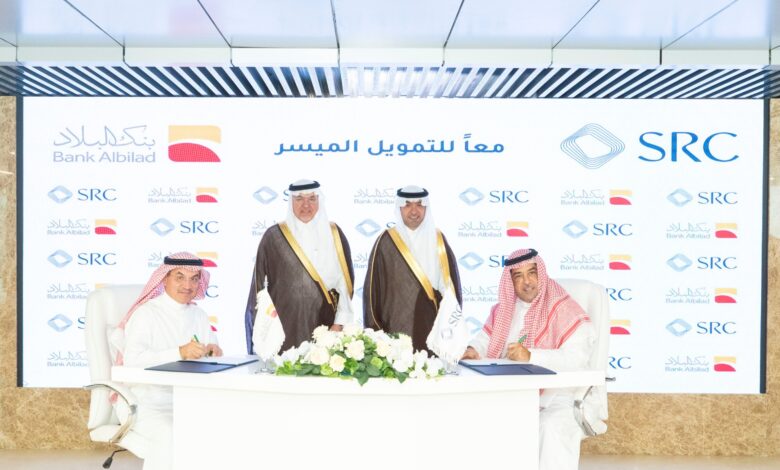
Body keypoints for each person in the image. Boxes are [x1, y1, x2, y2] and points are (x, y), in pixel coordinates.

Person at [462, 248, 595, 470]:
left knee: (549, 427)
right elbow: (485, 339)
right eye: (519, 276)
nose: (527, 282)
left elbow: (576, 359)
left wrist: (532, 356)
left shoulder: (564, 308)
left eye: (532, 273)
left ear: (540, 274)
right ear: (510, 282)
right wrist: (473, 350)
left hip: (559, 396)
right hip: (515, 395)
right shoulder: (504, 310)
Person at [113, 252, 222, 470]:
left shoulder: (199, 315)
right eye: (179, 277)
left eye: (194, 279)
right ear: (164, 279)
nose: (187, 286)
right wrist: (179, 352)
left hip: (187, 400)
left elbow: (212, 356)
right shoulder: (146, 314)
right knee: (170, 432)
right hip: (144, 402)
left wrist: (213, 352)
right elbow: (132, 361)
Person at [245, 179, 354, 354]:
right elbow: (259, 289)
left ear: (319, 200)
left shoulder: (334, 234)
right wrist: (262, 335)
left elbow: (344, 285)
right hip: (282, 332)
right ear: (290, 201)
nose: (306, 205)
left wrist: (339, 324)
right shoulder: (274, 236)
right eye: (299, 199)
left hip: (325, 329)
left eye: (312, 199)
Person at [363, 185, 462, 352]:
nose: (414, 211)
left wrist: (448, 328)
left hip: (430, 328)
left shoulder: (438, 239)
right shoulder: (386, 240)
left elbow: (450, 289)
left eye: (419, 205)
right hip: (393, 330)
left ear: (426, 208)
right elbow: (372, 292)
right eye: (407, 205)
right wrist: (376, 333)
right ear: (399, 207)